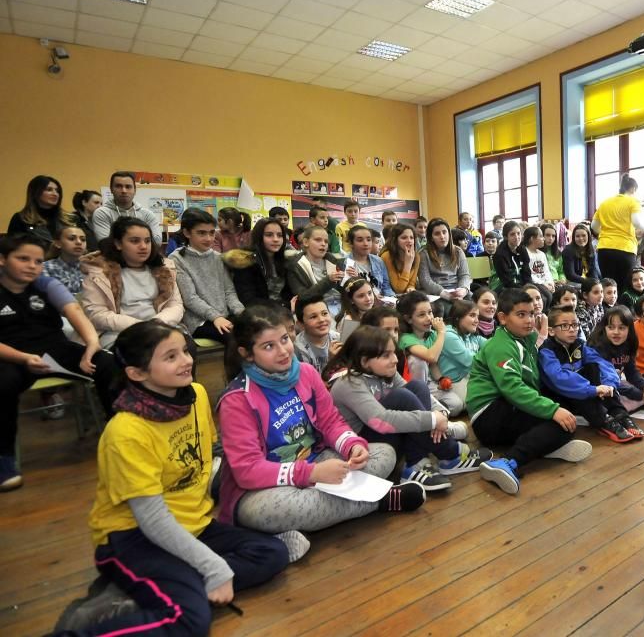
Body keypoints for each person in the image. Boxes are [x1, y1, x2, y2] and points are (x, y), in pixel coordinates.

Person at [62, 321, 291, 635]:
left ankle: (165, 589)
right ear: (137, 373)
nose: (187, 361)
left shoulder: (195, 395)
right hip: (133, 538)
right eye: (170, 357)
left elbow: (210, 458)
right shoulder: (127, 432)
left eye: (185, 351)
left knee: (272, 553)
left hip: (191, 523)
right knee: (189, 621)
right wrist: (212, 566)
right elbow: (152, 519)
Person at [217, 305, 423, 546]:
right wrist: (311, 474)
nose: (283, 351)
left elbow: (330, 421)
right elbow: (248, 470)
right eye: (268, 346)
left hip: (318, 459)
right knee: (261, 511)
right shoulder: (236, 399)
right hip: (268, 485)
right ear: (247, 353)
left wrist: (352, 446)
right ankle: (381, 498)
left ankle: (322, 512)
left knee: (383, 453)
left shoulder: (305, 372)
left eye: (284, 339)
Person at [0, 234, 116, 491]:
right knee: (3, 385)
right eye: (23, 259)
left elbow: (74, 312)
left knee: (108, 365)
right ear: (2, 260)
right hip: (11, 356)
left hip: (54, 349)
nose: (32, 265)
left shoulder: (45, 284)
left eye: (38, 261)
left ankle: (120, 437)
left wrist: (91, 346)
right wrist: (23, 358)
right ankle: (4, 457)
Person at [330, 325, 489, 493]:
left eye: (393, 353)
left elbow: (415, 397)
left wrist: (439, 415)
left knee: (418, 387)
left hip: (389, 434)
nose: (395, 360)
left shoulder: (383, 371)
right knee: (401, 397)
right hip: (362, 443)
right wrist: (432, 420)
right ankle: (450, 453)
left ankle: (416, 462)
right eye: (386, 355)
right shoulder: (348, 382)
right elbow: (380, 421)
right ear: (364, 361)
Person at [467, 288, 593, 496]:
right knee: (560, 423)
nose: (528, 320)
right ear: (503, 318)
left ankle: (544, 446)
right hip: (489, 416)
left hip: (507, 407)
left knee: (564, 419)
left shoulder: (525, 339)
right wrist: (553, 410)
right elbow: (513, 389)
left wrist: (556, 406)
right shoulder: (501, 345)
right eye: (521, 314)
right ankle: (508, 461)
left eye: (532, 314)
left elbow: (534, 380)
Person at [79, 217, 183, 348]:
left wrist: (158, 322)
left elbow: (176, 305)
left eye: (147, 241)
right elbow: (97, 314)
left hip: (160, 328)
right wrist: (140, 326)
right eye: (135, 241)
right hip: (120, 333)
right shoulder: (100, 272)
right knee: (147, 353)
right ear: (118, 244)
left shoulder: (164, 269)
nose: (143, 246)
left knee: (186, 346)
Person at [539, 306, 635, 443]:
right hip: (560, 397)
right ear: (551, 331)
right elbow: (559, 378)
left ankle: (620, 413)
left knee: (594, 367)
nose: (572, 329)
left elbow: (602, 362)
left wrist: (609, 385)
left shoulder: (579, 345)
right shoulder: (547, 351)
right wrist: (593, 390)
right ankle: (603, 420)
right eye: (565, 326)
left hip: (585, 393)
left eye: (575, 324)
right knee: (578, 385)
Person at [170, 209, 244, 343]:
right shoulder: (177, 259)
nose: (209, 238)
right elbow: (190, 298)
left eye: (211, 233)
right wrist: (215, 317)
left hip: (224, 315)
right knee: (234, 338)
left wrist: (241, 312)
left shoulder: (217, 257)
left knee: (254, 329)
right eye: (201, 233)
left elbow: (229, 291)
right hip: (199, 320)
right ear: (187, 233)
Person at [396, 291, 463, 418]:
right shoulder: (406, 338)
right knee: (417, 360)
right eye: (421, 315)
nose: (429, 318)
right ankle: (421, 406)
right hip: (412, 386)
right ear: (408, 319)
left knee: (457, 405)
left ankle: (435, 410)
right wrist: (442, 332)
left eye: (430, 312)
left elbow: (433, 363)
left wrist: (441, 379)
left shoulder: (431, 334)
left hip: (429, 383)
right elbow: (431, 356)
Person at [588, 306, 644, 413]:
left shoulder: (628, 345)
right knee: (627, 393)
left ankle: (620, 406)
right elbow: (599, 381)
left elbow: (632, 372)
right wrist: (637, 393)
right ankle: (615, 408)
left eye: (621, 328)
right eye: (611, 327)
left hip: (619, 385)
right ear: (604, 328)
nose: (616, 332)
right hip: (603, 388)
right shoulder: (598, 347)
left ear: (629, 329)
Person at [592, 173, 644, 295]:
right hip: (625, 248)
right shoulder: (633, 201)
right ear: (633, 189)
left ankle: (608, 312)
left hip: (605, 249)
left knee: (608, 285)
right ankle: (625, 312)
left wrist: (606, 233)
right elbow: (637, 223)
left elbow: (593, 226)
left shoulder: (605, 203)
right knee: (626, 286)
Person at [224, 217, 293, 309]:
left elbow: (289, 294)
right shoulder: (245, 260)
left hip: (285, 310)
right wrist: (282, 306)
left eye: (280, 235)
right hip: (260, 313)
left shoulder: (285, 260)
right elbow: (248, 299)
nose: (276, 239)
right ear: (259, 236)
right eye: (269, 235)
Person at [286, 224, 345, 317]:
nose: (323, 244)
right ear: (305, 242)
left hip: (343, 306)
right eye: (318, 240)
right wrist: (328, 280)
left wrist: (351, 279)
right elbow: (303, 297)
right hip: (316, 310)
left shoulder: (334, 260)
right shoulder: (294, 266)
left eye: (326, 241)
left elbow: (346, 290)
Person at [91, 171, 162, 243]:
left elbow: (157, 242)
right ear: (111, 189)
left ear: (135, 190)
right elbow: (106, 244)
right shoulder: (102, 213)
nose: (124, 191)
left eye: (128, 187)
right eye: (118, 186)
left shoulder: (147, 215)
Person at [7, 175, 74, 250]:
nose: (55, 194)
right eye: (49, 190)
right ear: (36, 193)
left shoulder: (68, 220)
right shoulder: (21, 219)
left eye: (57, 191)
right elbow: (13, 249)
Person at [438, 299, 485, 403]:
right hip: (453, 382)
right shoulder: (448, 335)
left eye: (478, 316)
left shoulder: (472, 335)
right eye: (472, 315)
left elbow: (492, 346)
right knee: (483, 399)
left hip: (468, 378)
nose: (477, 320)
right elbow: (471, 361)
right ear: (458, 317)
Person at [417, 218, 472, 302]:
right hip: (436, 293)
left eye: (444, 232)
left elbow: (464, 275)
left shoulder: (458, 251)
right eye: (437, 234)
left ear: (449, 234)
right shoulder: (423, 254)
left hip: (457, 290)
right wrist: (444, 293)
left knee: (476, 303)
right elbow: (425, 280)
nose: (442, 236)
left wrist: (463, 290)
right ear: (431, 237)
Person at [341, 225, 394, 299]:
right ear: (351, 243)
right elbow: (346, 293)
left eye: (369, 240)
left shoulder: (378, 261)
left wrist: (392, 299)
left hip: (381, 302)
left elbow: (386, 287)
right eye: (360, 240)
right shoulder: (344, 263)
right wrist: (358, 279)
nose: (366, 244)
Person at [293, 294, 338, 375]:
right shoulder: (297, 351)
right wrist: (332, 362)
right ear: (300, 324)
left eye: (324, 313)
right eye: (313, 317)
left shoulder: (337, 338)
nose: (321, 320)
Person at [43, 225, 88, 295]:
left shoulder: (92, 267)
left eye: (83, 240)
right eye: (71, 238)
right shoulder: (45, 267)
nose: (79, 242)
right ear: (58, 243)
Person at [491, 220, 531, 292]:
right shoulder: (500, 254)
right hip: (502, 286)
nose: (517, 237)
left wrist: (529, 287)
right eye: (512, 234)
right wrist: (523, 290)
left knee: (545, 295)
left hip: (520, 285)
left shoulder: (522, 249)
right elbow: (506, 280)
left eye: (518, 233)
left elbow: (526, 272)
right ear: (506, 237)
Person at [380, 223, 419, 294]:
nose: (409, 241)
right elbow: (398, 289)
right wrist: (408, 264)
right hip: (391, 296)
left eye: (411, 237)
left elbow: (412, 283)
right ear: (395, 240)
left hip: (407, 295)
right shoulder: (386, 256)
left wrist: (411, 287)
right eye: (404, 238)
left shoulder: (416, 256)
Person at [523, 226, 555, 294]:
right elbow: (530, 274)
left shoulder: (542, 254)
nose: (543, 238)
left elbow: (547, 271)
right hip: (535, 285)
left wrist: (551, 283)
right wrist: (543, 284)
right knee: (547, 296)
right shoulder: (526, 253)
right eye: (540, 236)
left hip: (546, 284)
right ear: (532, 239)